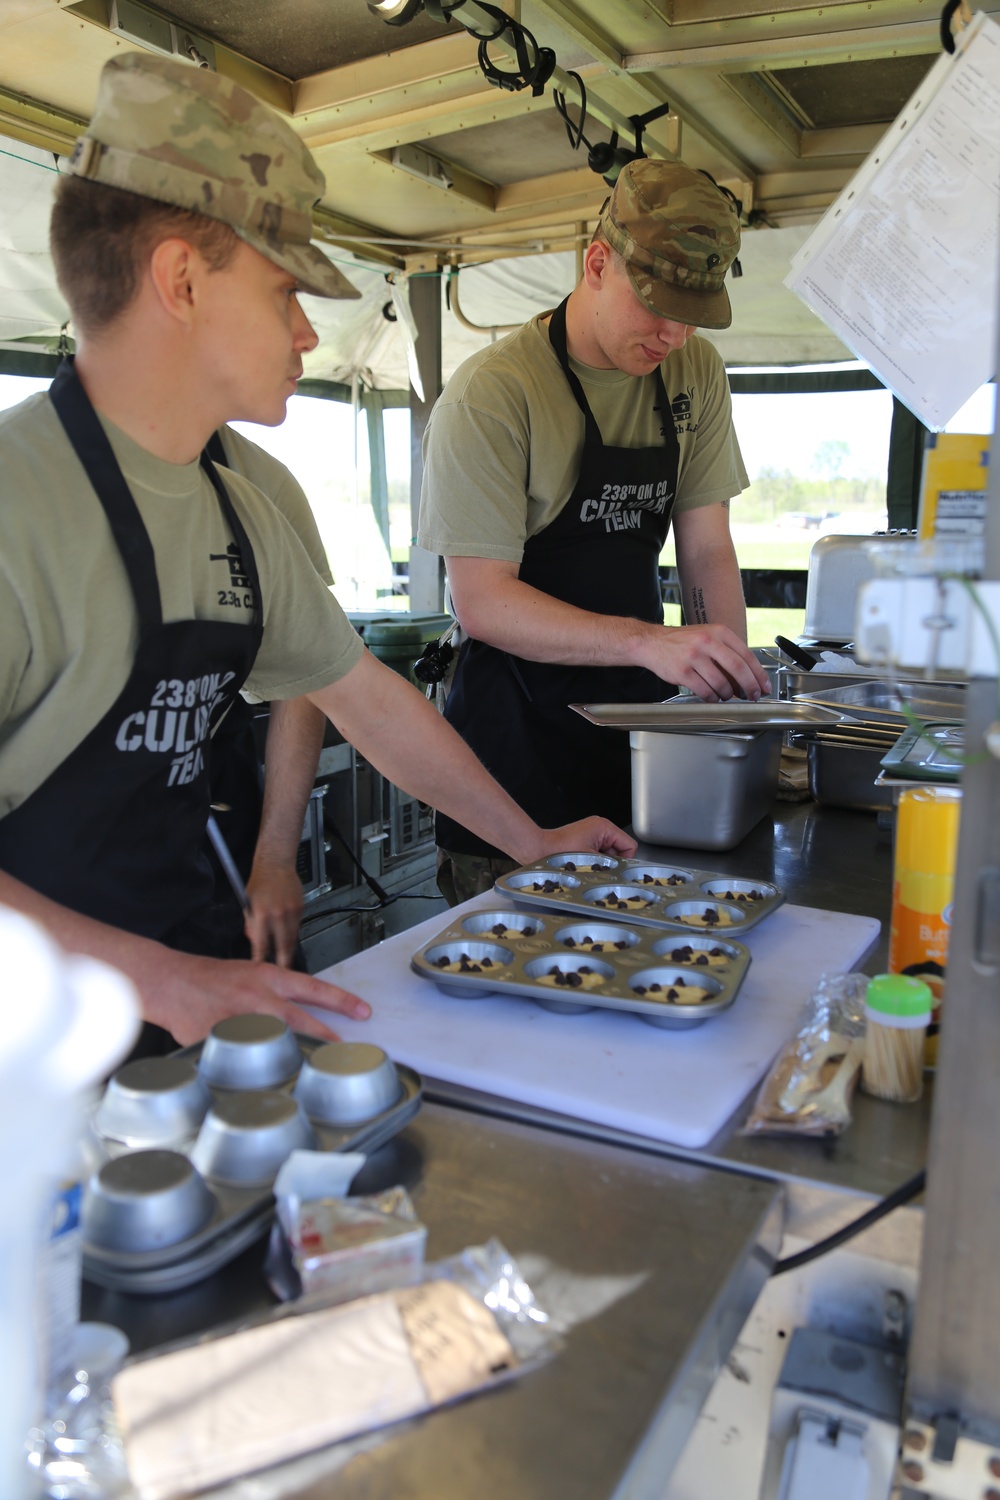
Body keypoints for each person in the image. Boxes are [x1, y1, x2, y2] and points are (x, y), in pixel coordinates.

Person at [0, 50, 635, 1051]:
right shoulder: (15, 508)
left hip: (187, 988)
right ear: (181, 281)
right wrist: (156, 980)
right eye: (284, 291)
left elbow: (370, 704)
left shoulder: (241, 513)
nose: (307, 332)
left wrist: (532, 843)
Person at [417, 158, 771, 904]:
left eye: (695, 313)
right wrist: (647, 641)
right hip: (512, 771)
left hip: (634, 765)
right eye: (658, 306)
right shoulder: (494, 396)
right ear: (598, 264)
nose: (675, 335)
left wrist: (726, 696)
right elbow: (480, 601)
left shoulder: (693, 372)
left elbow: (707, 547)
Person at [203, 426, 331, 969]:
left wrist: (276, 857)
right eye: (279, 329)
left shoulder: (264, 487)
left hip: (221, 793)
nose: (304, 337)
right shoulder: (28, 470)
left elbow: (321, 676)